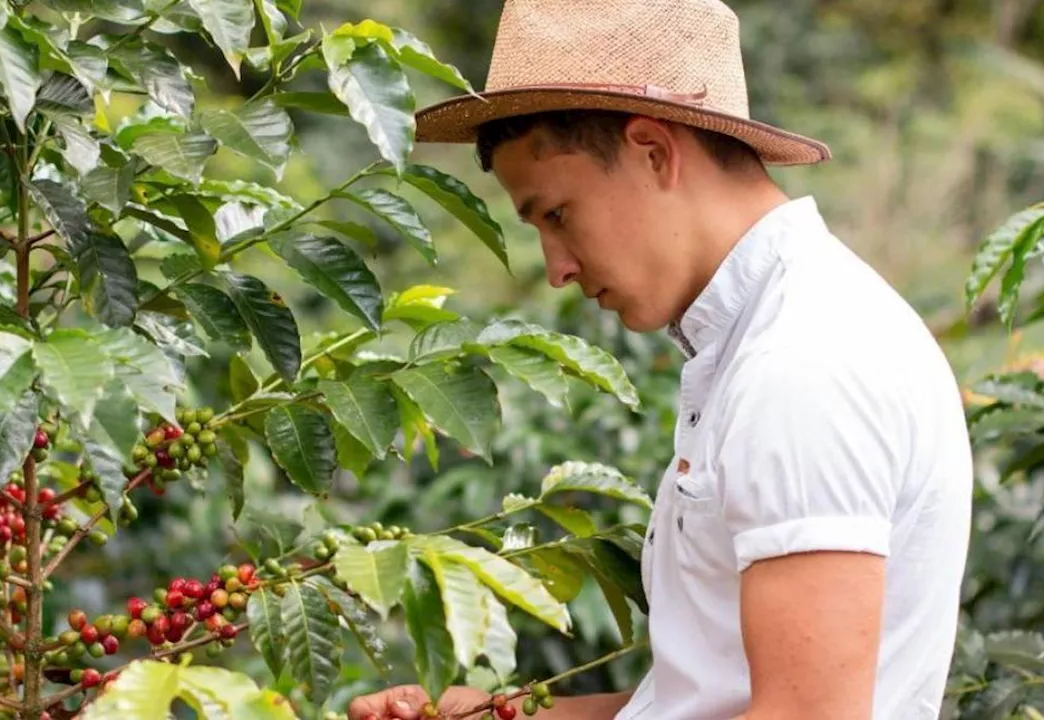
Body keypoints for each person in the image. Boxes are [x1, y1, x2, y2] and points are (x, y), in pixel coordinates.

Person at [348, 0, 974, 718]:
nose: (555, 267)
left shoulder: (805, 363)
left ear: (653, 150)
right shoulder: (768, 339)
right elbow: (701, 703)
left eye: (556, 214)